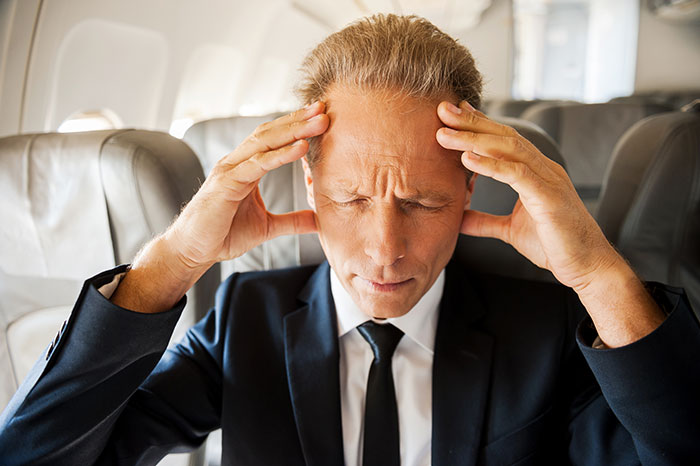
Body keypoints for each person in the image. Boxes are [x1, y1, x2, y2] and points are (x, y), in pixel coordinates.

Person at [0, 14, 698, 466]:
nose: (384, 249)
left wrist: (599, 277)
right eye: (349, 199)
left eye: (422, 202)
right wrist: (178, 258)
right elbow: (37, 456)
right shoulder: (244, 320)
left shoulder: (546, 330)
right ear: (308, 187)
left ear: (467, 192)